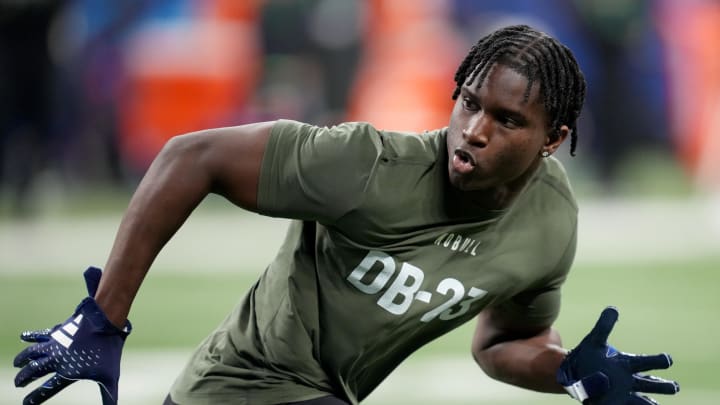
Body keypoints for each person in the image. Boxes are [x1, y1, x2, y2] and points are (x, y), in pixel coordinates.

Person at [13, 25, 679, 405]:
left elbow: (502, 343)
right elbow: (192, 156)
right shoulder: (367, 164)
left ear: (553, 139)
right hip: (239, 387)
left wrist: (565, 370)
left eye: (506, 120)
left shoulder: (550, 223)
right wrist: (103, 316)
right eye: (468, 103)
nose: (473, 130)